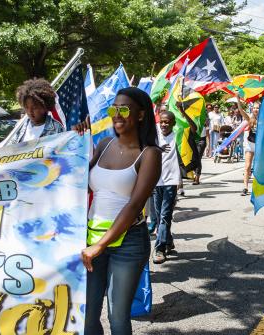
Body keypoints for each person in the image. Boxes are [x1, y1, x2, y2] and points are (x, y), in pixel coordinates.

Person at [76, 87, 161, 334]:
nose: (117, 114)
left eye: (124, 109)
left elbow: (134, 205)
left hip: (128, 243)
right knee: (87, 317)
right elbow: (77, 180)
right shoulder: (103, 144)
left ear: (142, 114)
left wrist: (101, 245)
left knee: (117, 317)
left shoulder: (150, 154)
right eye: (113, 109)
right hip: (92, 238)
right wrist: (75, 142)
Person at [0, 79, 64, 147]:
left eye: (34, 108)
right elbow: (9, 144)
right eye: (26, 107)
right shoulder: (21, 125)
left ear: (45, 107)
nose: (30, 112)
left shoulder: (57, 128)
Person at [153, 110, 180, 264]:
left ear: (173, 123)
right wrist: (158, 149)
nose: (164, 124)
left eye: (167, 122)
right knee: (159, 217)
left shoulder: (177, 136)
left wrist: (182, 110)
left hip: (170, 181)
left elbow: (194, 130)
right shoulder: (154, 135)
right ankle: (168, 240)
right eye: (162, 121)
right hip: (156, 182)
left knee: (164, 216)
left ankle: (160, 248)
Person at [236, 99, 259, 196]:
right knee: (247, 166)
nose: (255, 109)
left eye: (257, 108)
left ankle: (259, 187)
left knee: (258, 167)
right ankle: (245, 187)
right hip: (250, 144)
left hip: (259, 145)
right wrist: (238, 99)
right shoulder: (250, 118)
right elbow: (241, 111)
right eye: (254, 108)